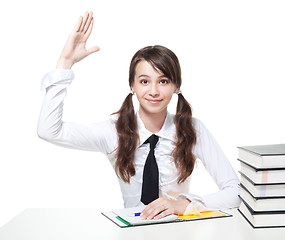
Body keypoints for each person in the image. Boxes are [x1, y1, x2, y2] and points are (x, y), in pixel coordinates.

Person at [37, 11, 240, 220]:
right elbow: (48, 131)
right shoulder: (113, 131)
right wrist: (65, 64)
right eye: (144, 81)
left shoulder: (192, 130)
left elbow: (234, 191)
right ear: (132, 85)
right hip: (132, 228)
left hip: (180, 230)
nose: (153, 91)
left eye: (163, 81)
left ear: (176, 86)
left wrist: (182, 204)